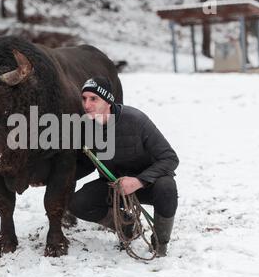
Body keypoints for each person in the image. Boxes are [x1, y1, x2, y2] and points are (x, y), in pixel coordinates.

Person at [69, 76, 179, 257]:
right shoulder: (85, 127)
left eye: (93, 99)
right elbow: (86, 164)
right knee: (77, 203)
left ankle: (160, 240)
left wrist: (138, 181)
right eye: (84, 99)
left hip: (149, 184)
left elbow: (169, 158)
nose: (87, 105)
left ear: (108, 100)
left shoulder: (136, 120)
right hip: (113, 187)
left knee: (167, 187)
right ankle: (127, 226)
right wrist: (49, 177)